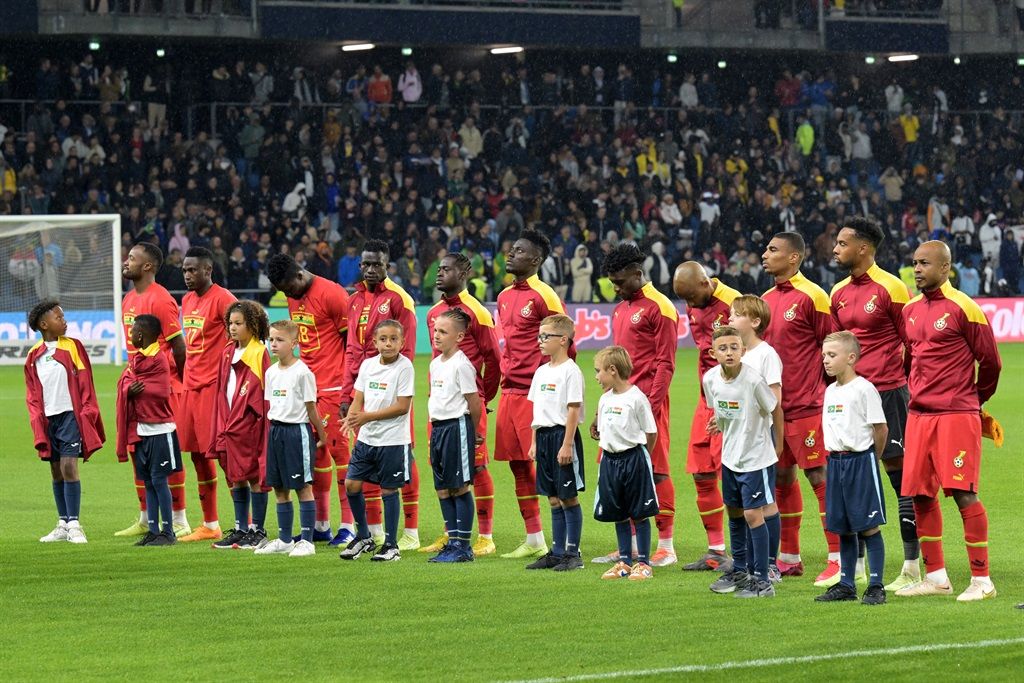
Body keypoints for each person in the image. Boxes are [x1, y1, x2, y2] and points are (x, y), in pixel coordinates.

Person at [897, 241, 1002, 602]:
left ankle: (982, 579)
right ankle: (937, 577)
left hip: (956, 414)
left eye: (925, 263)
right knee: (920, 495)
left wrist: (974, 399)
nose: (918, 269)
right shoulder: (909, 310)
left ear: (946, 268)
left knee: (963, 493)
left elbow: (991, 363)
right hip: (919, 416)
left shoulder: (965, 308)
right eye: (915, 263)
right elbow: (910, 360)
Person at [830, 217, 921, 591]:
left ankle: (913, 565)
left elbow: (912, 343)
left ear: (863, 248)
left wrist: (902, 383)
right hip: (850, 396)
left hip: (887, 392)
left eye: (841, 243)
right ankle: (853, 569)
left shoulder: (892, 288)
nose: (835, 249)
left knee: (900, 477)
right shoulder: (837, 291)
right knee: (850, 475)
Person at [592, 244, 678, 567]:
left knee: (655, 471)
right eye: (612, 282)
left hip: (647, 405)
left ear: (637, 273)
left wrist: (651, 407)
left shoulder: (660, 307)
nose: (614, 288)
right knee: (617, 472)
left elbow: (666, 364)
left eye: (619, 281)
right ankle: (626, 546)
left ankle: (666, 546)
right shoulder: (620, 310)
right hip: (618, 405)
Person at [761, 232, 837, 584]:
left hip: (807, 405)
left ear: (794, 258)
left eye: (773, 250)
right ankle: (789, 555)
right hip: (774, 409)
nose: (765, 254)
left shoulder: (814, 296)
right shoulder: (763, 300)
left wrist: (822, 390)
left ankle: (838, 557)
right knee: (780, 477)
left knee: (819, 477)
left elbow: (831, 346)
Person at [495, 230, 571, 560]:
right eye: (511, 249)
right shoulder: (503, 296)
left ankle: (567, 541)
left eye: (519, 251)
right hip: (509, 390)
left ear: (536, 260)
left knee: (547, 467)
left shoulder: (545, 296)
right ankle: (534, 537)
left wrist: (551, 391)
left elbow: (569, 345)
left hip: (534, 393)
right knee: (517, 466)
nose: (510, 255)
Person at [340, 240, 421, 550]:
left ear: (388, 266)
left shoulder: (400, 299)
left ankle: (410, 532)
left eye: (377, 264)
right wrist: (347, 395)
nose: (371, 269)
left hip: (392, 396)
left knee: (403, 460)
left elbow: (408, 351)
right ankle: (371, 532)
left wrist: (395, 390)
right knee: (364, 463)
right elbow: (351, 349)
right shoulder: (355, 300)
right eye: (366, 264)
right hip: (363, 393)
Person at [266, 253, 351, 544]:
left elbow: (349, 344)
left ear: (300, 275)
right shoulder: (294, 296)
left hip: (332, 387)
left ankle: (349, 526)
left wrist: (348, 390)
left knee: (340, 453)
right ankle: (322, 524)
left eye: (288, 288)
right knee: (314, 455)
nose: (287, 294)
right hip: (304, 388)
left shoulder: (333, 294)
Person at [422, 252, 502, 556]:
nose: (440, 274)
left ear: (464, 272)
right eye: (439, 268)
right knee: (443, 468)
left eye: (447, 269)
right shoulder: (434, 313)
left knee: (476, 467)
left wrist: (485, 395)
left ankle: (485, 535)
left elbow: (494, 359)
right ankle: (451, 533)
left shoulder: (477, 313)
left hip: (466, 404)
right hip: (440, 404)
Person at [116, 243, 190, 539]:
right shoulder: (129, 298)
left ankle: (179, 517)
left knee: (165, 452)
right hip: (135, 385)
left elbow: (179, 346)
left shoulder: (160, 299)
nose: (126, 261)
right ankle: (147, 517)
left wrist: (175, 380)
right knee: (138, 449)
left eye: (132, 258)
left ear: (147, 266)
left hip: (159, 388)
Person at [704, 326, 782, 599]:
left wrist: (779, 444)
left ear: (743, 351)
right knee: (734, 511)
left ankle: (762, 579)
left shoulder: (753, 380)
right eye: (723, 348)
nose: (729, 353)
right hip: (731, 456)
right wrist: (719, 422)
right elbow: (723, 410)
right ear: (713, 353)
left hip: (756, 457)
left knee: (753, 514)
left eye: (734, 347)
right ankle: (739, 569)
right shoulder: (710, 379)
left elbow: (774, 408)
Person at [672, 261, 741, 571]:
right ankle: (716, 550)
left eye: (690, 297)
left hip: (731, 402)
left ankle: (746, 553)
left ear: (704, 283)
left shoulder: (733, 304)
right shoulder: (694, 304)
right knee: (701, 473)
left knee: (734, 476)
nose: (688, 306)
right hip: (705, 400)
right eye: (683, 300)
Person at [816, 331, 889, 606]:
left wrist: (872, 458)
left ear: (851, 358)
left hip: (860, 461)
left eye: (832, 355)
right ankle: (846, 583)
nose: (826, 360)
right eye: (824, 355)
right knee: (843, 527)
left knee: (868, 526)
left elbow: (880, 428)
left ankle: (875, 584)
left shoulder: (864, 389)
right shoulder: (830, 391)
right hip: (835, 463)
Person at [26, 300, 105, 544]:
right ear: (43, 324)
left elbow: (85, 381)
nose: (64, 321)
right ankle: (62, 522)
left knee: (69, 466)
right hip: (50, 419)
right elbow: (32, 393)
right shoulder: (33, 356)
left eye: (63, 317)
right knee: (55, 469)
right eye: (58, 318)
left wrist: (88, 411)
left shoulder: (73, 347)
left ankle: (74, 524)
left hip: (71, 414)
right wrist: (37, 421)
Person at [339, 320, 415, 562]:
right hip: (367, 439)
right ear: (375, 342)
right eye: (383, 339)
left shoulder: (405, 368)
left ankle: (391, 545)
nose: (388, 343)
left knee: (389, 489)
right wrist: (352, 419)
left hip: (393, 440)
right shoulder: (368, 365)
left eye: (394, 339)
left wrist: (365, 417)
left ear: (402, 342)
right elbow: (358, 397)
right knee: (351, 484)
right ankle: (364, 537)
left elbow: (402, 407)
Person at [176, 247, 238, 543]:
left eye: (193, 270)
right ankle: (210, 523)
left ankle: (244, 524)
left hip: (214, 388)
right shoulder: (187, 300)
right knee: (197, 455)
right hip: (191, 387)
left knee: (225, 455)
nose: (188, 275)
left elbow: (244, 334)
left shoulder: (224, 299)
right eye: (185, 270)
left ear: (208, 271)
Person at [255, 320, 329, 558]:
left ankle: (307, 540)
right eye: (271, 339)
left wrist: (322, 434)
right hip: (275, 432)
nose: (273, 344)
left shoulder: (303, 373)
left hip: (296, 433)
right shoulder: (270, 372)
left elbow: (311, 409)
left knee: (302, 487)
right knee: (279, 487)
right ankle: (285, 540)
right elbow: (273, 405)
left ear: (294, 343)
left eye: (280, 340)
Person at [727, 295, 783, 583]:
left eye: (736, 315)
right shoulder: (736, 354)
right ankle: (745, 564)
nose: (730, 319)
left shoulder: (765, 355)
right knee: (739, 503)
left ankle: (770, 565)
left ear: (755, 321)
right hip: (736, 435)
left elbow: (774, 399)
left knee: (764, 503)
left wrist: (777, 439)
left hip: (760, 434)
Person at [591, 346, 659, 582]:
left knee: (639, 513)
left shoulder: (637, 398)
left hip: (634, 459)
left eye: (599, 371)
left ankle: (644, 563)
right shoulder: (604, 399)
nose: (596, 376)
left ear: (612, 370)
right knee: (618, 512)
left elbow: (651, 432)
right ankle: (624, 561)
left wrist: (643, 458)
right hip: (610, 461)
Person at [209, 302, 272, 551]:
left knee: (254, 475)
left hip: (250, 425)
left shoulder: (259, 352)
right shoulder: (227, 352)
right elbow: (221, 390)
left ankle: (258, 529)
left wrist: (260, 422)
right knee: (235, 477)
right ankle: (240, 528)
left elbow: (264, 393)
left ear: (252, 325)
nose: (232, 328)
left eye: (238, 323)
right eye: (230, 323)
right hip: (229, 424)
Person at [525, 314, 586, 572]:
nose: (540, 341)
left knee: (568, 497)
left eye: (545, 337)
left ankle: (573, 553)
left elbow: (573, 410)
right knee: (552, 497)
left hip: (563, 436)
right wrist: (534, 442)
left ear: (563, 340)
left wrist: (568, 444)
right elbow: (536, 410)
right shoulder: (541, 372)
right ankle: (557, 552)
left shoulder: (570, 371)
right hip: (544, 437)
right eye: (539, 336)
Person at [115, 315, 181, 547]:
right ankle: (153, 530)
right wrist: (128, 390)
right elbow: (126, 382)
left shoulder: (157, 358)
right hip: (141, 430)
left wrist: (132, 390)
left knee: (159, 480)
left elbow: (160, 391)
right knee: (149, 482)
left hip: (160, 430)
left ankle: (169, 532)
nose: (130, 334)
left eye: (132, 330)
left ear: (140, 335)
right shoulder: (138, 359)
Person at [425, 309, 482, 563]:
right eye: (435, 330)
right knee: (442, 488)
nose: (436, 336)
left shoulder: (462, 365)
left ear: (459, 337)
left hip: (457, 427)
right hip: (438, 429)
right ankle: (452, 541)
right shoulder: (435, 363)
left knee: (459, 487)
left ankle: (463, 546)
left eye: (443, 332)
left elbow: (474, 402)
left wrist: (474, 432)